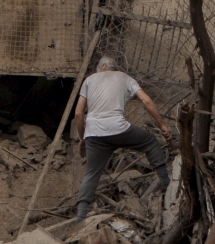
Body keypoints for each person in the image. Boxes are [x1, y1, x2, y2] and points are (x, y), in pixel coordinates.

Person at [74, 56, 173, 222]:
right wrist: (162, 125)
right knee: (150, 142)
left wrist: (82, 138)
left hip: (94, 133)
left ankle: (80, 217)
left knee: (91, 174)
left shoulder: (89, 80)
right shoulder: (126, 78)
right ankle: (165, 184)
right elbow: (146, 100)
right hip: (118, 128)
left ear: (103, 66)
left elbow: (78, 114)